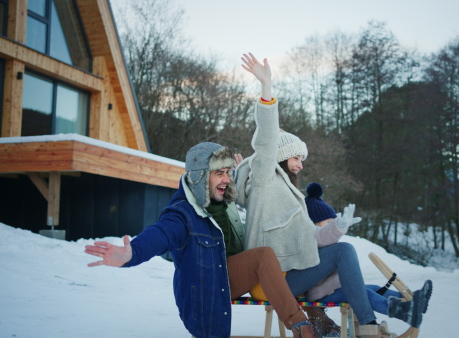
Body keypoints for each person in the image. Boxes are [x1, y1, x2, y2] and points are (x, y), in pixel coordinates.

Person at [234, 53, 432, 338]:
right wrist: (266, 88)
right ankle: (370, 325)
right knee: (345, 252)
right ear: (279, 156)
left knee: (346, 265)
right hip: (272, 283)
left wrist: (338, 227)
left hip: (289, 275)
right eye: (296, 157)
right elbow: (265, 142)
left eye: (302, 158)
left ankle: (388, 315)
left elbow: (309, 239)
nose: (301, 164)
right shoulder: (265, 180)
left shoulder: (286, 192)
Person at [84, 142, 316, 338]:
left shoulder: (223, 201)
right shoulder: (182, 213)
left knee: (271, 252)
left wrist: (238, 171)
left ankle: (319, 315)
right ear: (200, 177)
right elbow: (162, 233)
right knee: (262, 256)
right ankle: (300, 326)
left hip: (228, 276)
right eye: (219, 173)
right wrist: (132, 252)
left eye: (228, 172)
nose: (226, 179)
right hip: (206, 289)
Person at [304, 182, 433, 323]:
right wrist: (337, 229)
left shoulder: (325, 240)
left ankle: (413, 299)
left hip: (336, 288)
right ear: (313, 223)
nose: (331, 227)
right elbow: (323, 239)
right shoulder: (312, 240)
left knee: (374, 288)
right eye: (328, 223)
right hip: (324, 293)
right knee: (366, 294)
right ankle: (403, 311)